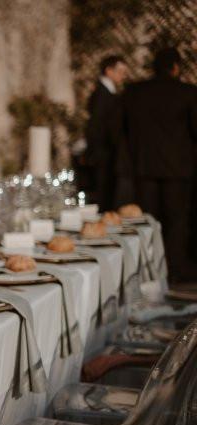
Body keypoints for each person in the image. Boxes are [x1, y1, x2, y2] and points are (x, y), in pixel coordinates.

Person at [120, 47, 197, 280]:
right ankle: (173, 270)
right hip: (178, 169)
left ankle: (146, 268)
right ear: (175, 67)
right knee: (176, 221)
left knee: (147, 221)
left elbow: (123, 130)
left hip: (143, 166)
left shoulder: (134, 92)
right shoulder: (188, 93)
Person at [85, 55, 128, 209]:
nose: (123, 76)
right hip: (103, 153)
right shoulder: (102, 95)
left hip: (104, 152)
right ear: (108, 71)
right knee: (103, 195)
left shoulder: (107, 93)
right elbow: (97, 125)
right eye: (120, 71)